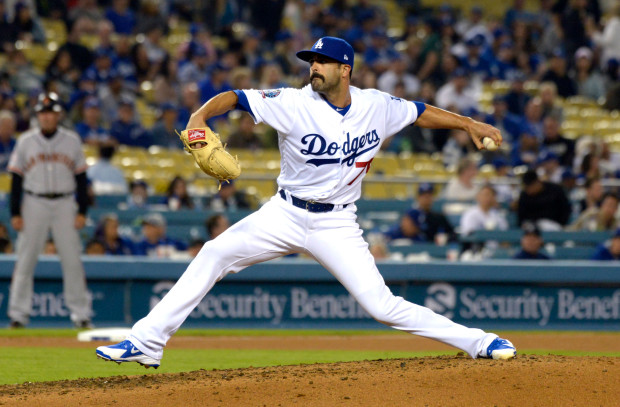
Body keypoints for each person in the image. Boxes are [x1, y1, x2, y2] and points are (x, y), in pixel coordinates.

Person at [96, 36, 515, 368]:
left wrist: (467, 123)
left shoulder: (376, 106)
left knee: (382, 306)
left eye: (321, 62)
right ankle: (147, 342)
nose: (313, 67)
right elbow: (234, 97)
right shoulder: (292, 103)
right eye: (310, 61)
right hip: (285, 213)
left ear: (343, 69)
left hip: (337, 224)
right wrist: (198, 119)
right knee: (214, 252)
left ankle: (480, 342)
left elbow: (420, 111)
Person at [7, 92, 92, 328]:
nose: (46, 117)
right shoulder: (25, 140)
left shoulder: (72, 140)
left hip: (65, 203)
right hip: (34, 203)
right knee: (25, 260)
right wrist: (15, 212)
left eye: (51, 113)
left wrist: (82, 209)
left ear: (58, 115)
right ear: (37, 115)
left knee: (72, 260)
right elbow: (16, 179)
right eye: (43, 113)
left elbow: (82, 179)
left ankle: (81, 314)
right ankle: (18, 315)